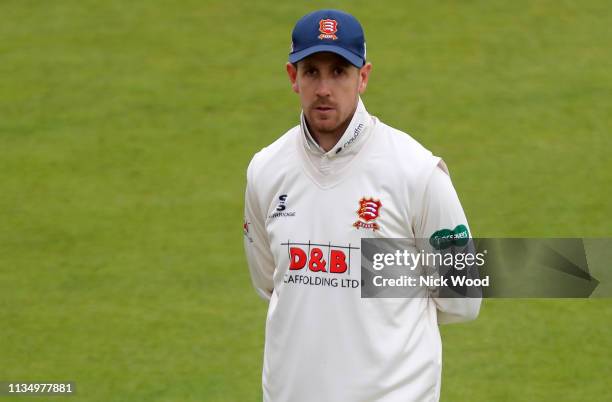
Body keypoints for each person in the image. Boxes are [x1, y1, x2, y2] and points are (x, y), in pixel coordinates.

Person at [243, 9, 481, 402]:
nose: (323, 88)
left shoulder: (416, 172)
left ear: (363, 77)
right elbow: (269, 280)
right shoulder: (266, 169)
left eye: (339, 71)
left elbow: (463, 299)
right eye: (311, 72)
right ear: (292, 77)